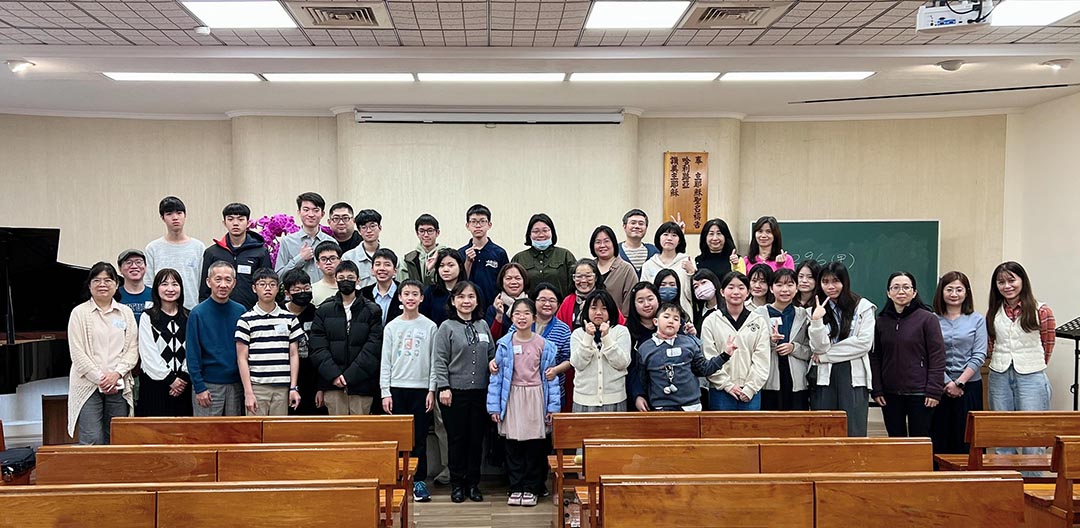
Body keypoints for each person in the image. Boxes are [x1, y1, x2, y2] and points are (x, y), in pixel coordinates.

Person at [487, 298, 561, 508]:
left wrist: (552, 408)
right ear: (511, 317)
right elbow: (496, 378)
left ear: (534, 318)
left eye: (526, 313)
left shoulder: (545, 345)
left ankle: (531, 488)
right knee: (513, 445)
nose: (522, 317)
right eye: (517, 313)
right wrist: (494, 407)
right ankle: (516, 487)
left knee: (534, 446)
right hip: (512, 396)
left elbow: (551, 379)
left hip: (536, 396)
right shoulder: (504, 344)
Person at [433, 281, 495, 504]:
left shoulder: (483, 325)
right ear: (453, 301)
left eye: (470, 297)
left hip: (480, 392)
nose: (466, 301)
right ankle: (457, 484)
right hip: (454, 392)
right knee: (457, 440)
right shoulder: (446, 327)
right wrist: (444, 387)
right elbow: (439, 360)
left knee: (476, 440)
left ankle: (473, 484)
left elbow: (491, 353)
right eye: (461, 297)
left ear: (477, 300)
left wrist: (494, 364)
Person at [986, 261, 1056, 451]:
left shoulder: (1042, 310)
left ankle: (1032, 471)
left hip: (1031, 375)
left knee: (1033, 433)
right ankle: (1004, 470)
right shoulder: (993, 312)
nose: (1007, 286)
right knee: (1002, 432)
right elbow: (991, 343)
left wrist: (1032, 362)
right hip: (999, 374)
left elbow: (1047, 344)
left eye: (1012, 280)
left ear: (1022, 280)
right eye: (1001, 282)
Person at [380, 279, 439, 503]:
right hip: (396, 388)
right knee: (398, 438)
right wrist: (385, 391)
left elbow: (434, 362)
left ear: (422, 298)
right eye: (406, 294)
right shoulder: (392, 327)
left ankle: (419, 480)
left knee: (419, 437)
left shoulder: (430, 326)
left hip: (421, 389)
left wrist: (431, 389)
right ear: (400, 297)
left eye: (415, 294)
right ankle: (400, 479)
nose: (411, 298)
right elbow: (385, 361)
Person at [67, 262, 139, 444]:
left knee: (117, 438)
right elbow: (77, 353)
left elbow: (132, 349)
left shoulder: (126, 313)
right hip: (88, 384)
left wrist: (116, 375)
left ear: (116, 284)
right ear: (89, 285)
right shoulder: (79, 313)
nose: (102, 284)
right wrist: (102, 380)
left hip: (119, 384)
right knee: (92, 438)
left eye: (108, 280)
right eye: (97, 280)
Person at [871, 272, 946, 437]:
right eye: (895, 287)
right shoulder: (881, 321)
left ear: (914, 292)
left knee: (919, 442)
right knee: (895, 441)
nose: (901, 291)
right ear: (888, 293)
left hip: (921, 393)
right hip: (890, 394)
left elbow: (937, 356)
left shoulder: (928, 319)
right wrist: (877, 389)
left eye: (906, 287)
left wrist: (934, 390)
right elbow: (875, 357)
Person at [808, 262, 876, 437]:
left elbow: (863, 344)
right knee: (824, 432)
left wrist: (825, 356)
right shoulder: (814, 309)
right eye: (825, 282)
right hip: (824, 376)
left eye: (835, 281)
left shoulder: (863, 307)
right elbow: (818, 347)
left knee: (853, 430)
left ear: (845, 282)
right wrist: (816, 321)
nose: (830, 286)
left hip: (853, 374)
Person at [309, 260, 384, 415]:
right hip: (332, 384)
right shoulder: (324, 310)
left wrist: (350, 376)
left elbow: (373, 348)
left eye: (350, 278)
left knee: (360, 429)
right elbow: (317, 348)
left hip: (362, 385)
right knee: (337, 429)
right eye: (341, 278)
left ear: (358, 280)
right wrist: (334, 375)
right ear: (335, 280)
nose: (345, 281)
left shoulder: (372, 310)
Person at [930, 271, 987, 454]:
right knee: (940, 438)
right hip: (939, 386)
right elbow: (929, 355)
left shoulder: (977, 320)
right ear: (941, 292)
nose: (954, 294)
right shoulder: (931, 319)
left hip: (970, 386)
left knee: (967, 440)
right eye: (949, 289)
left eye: (959, 289)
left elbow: (979, 354)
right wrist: (948, 382)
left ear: (966, 292)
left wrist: (960, 382)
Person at [635, 303, 729, 412]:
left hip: (691, 406)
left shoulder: (689, 343)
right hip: (661, 407)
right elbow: (643, 380)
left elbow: (704, 369)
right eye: (666, 317)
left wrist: (725, 355)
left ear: (680, 324)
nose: (671, 321)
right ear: (655, 321)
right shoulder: (644, 348)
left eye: (676, 319)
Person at [236, 268, 302, 416]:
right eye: (262, 284)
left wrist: (293, 387)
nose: (267, 288)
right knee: (254, 429)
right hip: (257, 387)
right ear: (254, 288)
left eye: (272, 284)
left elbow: (293, 355)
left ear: (278, 288)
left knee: (278, 429)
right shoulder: (245, 320)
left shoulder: (290, 319)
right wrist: (248, 392)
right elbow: (242, 358)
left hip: (282, 387)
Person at [701, 272, 771, 411]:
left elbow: (762, 359)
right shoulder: (711, 321)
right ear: (722, 292)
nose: (736, 292)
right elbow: (708, 356)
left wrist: (750, 388)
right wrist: (727, 385)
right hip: (721, 390)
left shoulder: (758, 321)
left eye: (741, 287)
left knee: (750, 425)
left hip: (750, 392)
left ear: (748, 292)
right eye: (731, 287)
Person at [186, 261, 246, 417]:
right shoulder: (197, 313)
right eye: (218, 279)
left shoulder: (241, 311)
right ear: (208, 282)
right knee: (207, 431)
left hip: (236, 385)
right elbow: (192, 354)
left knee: (234, 430)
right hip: (207, 386)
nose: (223, 285)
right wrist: (199, 387)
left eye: (228, 280)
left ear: (234, 283)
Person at [136, 268, 192, 417]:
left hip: (184, 385)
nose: (170, 289)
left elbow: (193, 350)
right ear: (156, 288)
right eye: (164, 284)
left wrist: (183, 377)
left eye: (175, 284)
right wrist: (170, 379)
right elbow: (148, 353)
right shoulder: (148, 317)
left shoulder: (189, 316)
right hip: (155, 385)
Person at [199, 202, 272, 309]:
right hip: (218, 310)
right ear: (224, 223)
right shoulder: (212, 252)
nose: (235, 223)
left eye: (241, 219)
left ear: (248, 223)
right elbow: (204, 290)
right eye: (230, 219)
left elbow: (266, 284)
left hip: (251, 311)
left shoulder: (260, 252)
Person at [758, 268, 811, 411]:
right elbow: (751, 348)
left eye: (790, 284)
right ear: (771, 288)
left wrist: (794, 348)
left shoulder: (804, 315)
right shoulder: (758, 315)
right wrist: (770, 342)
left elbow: (812, 350)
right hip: (768, 379)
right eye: (779, 285)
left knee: (796, 420)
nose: (785, 289)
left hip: (797, 380)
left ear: (797, 288)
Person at [569, 290, 631, 413]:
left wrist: (606, 338)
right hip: (583, 400)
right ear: (587, 310)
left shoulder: (621, 331)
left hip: (615, 400)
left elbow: (622, 363)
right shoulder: (578, 334)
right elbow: (577, 363)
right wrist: (588, 337)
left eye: (604, 308)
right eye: (593, 308)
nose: (598, 312)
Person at [144, 196, 205, 310]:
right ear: (162, 218)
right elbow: (149, 283)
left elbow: (203, 283)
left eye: (179, 213)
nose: (175, 217)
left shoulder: (198, 247)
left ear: (185, 215)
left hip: (192, 309)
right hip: (162, 311)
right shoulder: (153, 248)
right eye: (169, 214)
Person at [281, 268, 326, 416]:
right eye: (297, 290)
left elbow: (323, 350)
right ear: (287, 293)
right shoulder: (278, 312)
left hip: (312, 378)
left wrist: (321, 387)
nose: (303, 293)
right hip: (284, 378)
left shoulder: (318, 313)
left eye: (306, 288)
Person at [511, 213, 576, 299]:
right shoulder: (519, 258)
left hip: (560, 306)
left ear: (552, 232)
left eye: (545, 230)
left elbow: (575, 283)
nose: (541, 235)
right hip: (529, 307)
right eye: (536, 231)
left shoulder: (565, 255)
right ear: (529, 234)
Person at [275, 192, 333, 283]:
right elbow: (279, 277)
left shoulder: (331, 242)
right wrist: (300, 258)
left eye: (316, 210)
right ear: (299, 212)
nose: (311, 214)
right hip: (297, 291)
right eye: (306, 210)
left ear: (322, 214)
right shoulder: (287, 242)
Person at [460, 204, 509, 308]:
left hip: (493, 307)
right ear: (467, 225)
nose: (478, 225)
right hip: (468, 307)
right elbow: (459, 284)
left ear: (489, 225)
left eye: (482, 221)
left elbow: (505, 282)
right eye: (473, 221)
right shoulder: (461, 253)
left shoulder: (499, 253)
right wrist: (468, 262)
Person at [641, 221, 693, 316]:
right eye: (665, 234)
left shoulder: (687, 262)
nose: (669, 238)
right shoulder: (649, 264)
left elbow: (692, 296)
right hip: (655, 315)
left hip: (683, 314)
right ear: (659, 238)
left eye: (674, 235)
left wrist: (690, 273)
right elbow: (644, 293)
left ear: (679, 240)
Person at [343, 208, 401, 288]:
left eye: (372, 226)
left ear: (380, 228)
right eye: (364, 227)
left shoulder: (392, 256)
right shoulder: (349, 257)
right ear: (359, 231)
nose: (369, 231)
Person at [590, 225, 636, 316]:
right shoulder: (589, 268)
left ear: (614, 243)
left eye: (606, 241)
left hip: (617, 322)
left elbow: (630, 302)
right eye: (598, 242)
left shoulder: (626, 269)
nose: (602, 245)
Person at [420, 248, 466, 326]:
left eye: (451, 265)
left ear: (460, 267)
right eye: (441, 266)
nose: (446, 270)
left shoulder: (470, 290)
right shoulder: (431, 292)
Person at [486, 263, 531, 340]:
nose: (513, 282)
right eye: (508, 278)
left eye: (517, 278)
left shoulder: (532, 306)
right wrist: (499, 315)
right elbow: (491, 340)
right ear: (502, 282)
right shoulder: (493, 309)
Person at [404, 214, 450, 287]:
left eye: (430, 231)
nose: (426, 235)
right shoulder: (408, 259)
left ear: (437, 232)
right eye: (422, 231)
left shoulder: (447, 255)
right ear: (417, 233)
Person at [556, 259, 603, 330]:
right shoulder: (567, 302)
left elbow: (618, 326)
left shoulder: (605, 299)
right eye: (579, 276)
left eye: (588, 276)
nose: (583, 280)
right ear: (573, 278)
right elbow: (558, 329)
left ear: (596, 278)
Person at [361, 248, 402, 326]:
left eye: (387, 264)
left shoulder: (404, 292)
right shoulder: (363, 294)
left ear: (395, 271)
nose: (382, 268)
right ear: (372, 270)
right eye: (378, 264)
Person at [618, 209, 659, 277]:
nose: (637, 226)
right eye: (633, 223)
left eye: (641, 224)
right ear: (624, 226)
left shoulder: (654, 251)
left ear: (646, 227)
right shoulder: (615, 251)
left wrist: (677, 231)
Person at [117, 249, 152, 321]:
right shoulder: (114, 295)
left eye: (138, 262)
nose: (134, 266)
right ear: (120, 269)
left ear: (145, 267)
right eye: (128, 262)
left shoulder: (155, 295)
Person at [310, 241, 342, 306]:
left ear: (340, 261)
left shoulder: (351, 286)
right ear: (317, 264)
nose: (328, 262)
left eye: (333, 258)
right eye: (323, 259)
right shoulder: (312, 290)